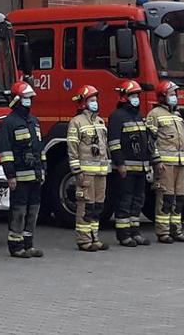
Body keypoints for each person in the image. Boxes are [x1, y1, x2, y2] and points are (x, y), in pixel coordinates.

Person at [0, 81, 45, 258]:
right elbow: (5, 151)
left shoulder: (34, 121)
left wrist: (43, 170)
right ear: (17, 99)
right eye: (26, 98)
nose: (29, 101)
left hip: (35, 175)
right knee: (18, 211)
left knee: (33, 210)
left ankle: (28, 244)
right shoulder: (9, 123)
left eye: (30, 98)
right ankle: (15, 245)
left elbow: (39, 149)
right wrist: (10, 175)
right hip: (19, 177)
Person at [144, 80, 184, 244]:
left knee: (179, 198)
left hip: (180, 163)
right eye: (172, 94)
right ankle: (163, 232)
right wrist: (156, 161)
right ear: (163, 96)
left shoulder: (177, 116)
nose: (175, 97)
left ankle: (176, 230)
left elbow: (183, 140)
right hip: (165, 164)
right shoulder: (154, 115)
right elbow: (150, 141)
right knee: (165, 197)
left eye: (175, 94)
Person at [65, 85, 111, 252]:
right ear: (84, 103)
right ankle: (84, 240)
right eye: (92, 100)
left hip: (100, 172)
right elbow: (72, 149)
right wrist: (77, 171)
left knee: (97, 206)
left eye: (96, 100)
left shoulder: (99, 122)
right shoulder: (76, 122)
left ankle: (94, 237)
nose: (95, 103)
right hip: (85, 173)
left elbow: (104, 147)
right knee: (85, 206)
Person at [106, 80, 152, 247]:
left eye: (137, 95)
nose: (136, 98)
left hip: (140, 167)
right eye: (133, 95)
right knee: (124, 200)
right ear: (125, 97)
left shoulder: (138, 116)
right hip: (126, 168)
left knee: (138, 200)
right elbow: (114, 143)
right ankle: (123, 235)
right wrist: (120, 164)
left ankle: (135, 232)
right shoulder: (117, 117)